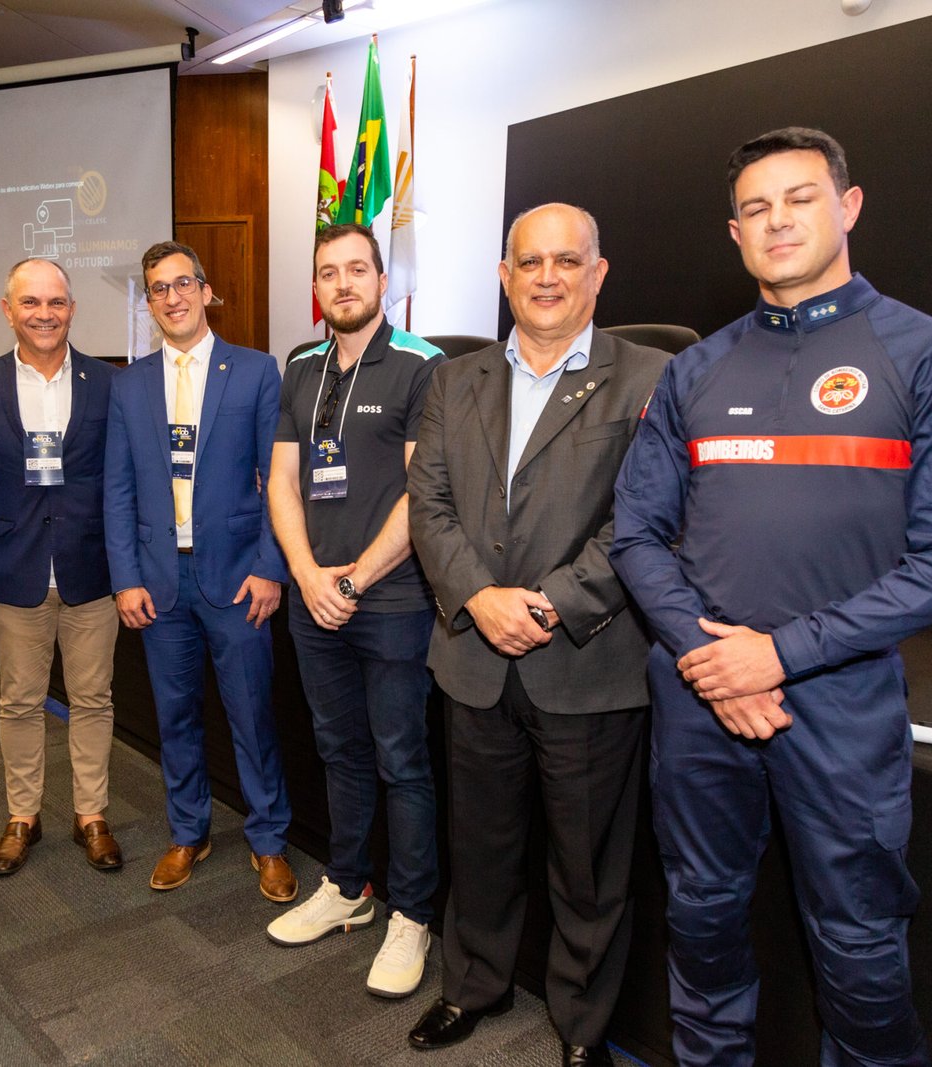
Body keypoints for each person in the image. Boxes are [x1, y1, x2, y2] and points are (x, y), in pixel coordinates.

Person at [611, 127, 932, 1067]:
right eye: (755, 208)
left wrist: (778, 655)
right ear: (735, 232)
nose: (777, 221)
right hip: (700, 695)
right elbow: (635, 534)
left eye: (799, 198)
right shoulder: (695, 370)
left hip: (838, 699)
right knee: (701, 913)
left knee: (859, 940)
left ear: (848, 206)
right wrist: (710, 657)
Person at [406, 205, 668, 1065]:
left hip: (587, 661)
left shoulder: (653, 376)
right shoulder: (454, 379)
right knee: (479, 845)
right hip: (474, 658)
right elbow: (429, 505)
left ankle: (582, 1026)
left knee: (587, 866)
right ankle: (472, 984)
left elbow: (645, 518)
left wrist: (551, 604)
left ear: (599, 272)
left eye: (566, 260)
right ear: (504, 275)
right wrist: (480, 598)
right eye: (529, 262)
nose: (547, 277)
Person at [264, 223, 444, 998]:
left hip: (393, 600)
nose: (343, 283)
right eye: (328, 272)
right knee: (338, 749)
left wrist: (353, 581)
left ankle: (413, 912)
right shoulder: (300, 365)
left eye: (357, 269)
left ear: (382, 279)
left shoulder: (422, 364)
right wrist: (307, 575)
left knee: (402, 759)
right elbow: (283, 480)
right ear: (316, 287)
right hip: (314, 598)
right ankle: (348, 887)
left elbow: (423, 493)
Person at [103, 240, 295, 901]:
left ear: (206, 290)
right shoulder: (128, 385)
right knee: (175, 716)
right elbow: (118, 489)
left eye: (184, 282)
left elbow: (277, 480)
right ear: (149, 302)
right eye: (159, 288)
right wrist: (125, 576)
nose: (173, 296)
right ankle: (189, 831)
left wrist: (271, 566)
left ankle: (269, 839)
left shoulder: (256, 371)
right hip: (159, 583)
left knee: (252, 717)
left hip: (238, 579)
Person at [0, 259, 122, 877]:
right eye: (30, 302)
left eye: (56, 302)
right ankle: (22, 815)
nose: (44, 314)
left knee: (93, 699)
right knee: (19, 702)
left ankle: (91, 814)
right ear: (8, 311)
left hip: (91, 570)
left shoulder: (108, 383)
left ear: (72, 310)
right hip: (16, 567)